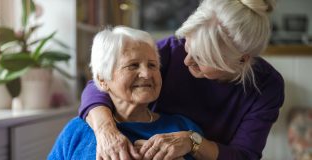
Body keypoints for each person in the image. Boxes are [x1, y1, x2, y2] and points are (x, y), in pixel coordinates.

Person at [79, 0, 285, 159]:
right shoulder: (172, 49)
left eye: (201, 58)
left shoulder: (267, 86)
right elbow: (100, 84)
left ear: (242, 59)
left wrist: (193, 142)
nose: (186, 61)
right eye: (188, 46)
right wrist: (106, 132)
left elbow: (244, 156)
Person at [48, 26, 204, 160]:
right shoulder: (77, 130)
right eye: (133, 65)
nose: (146, 74)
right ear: (102, 79)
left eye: (152, 65)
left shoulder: (184, 129)